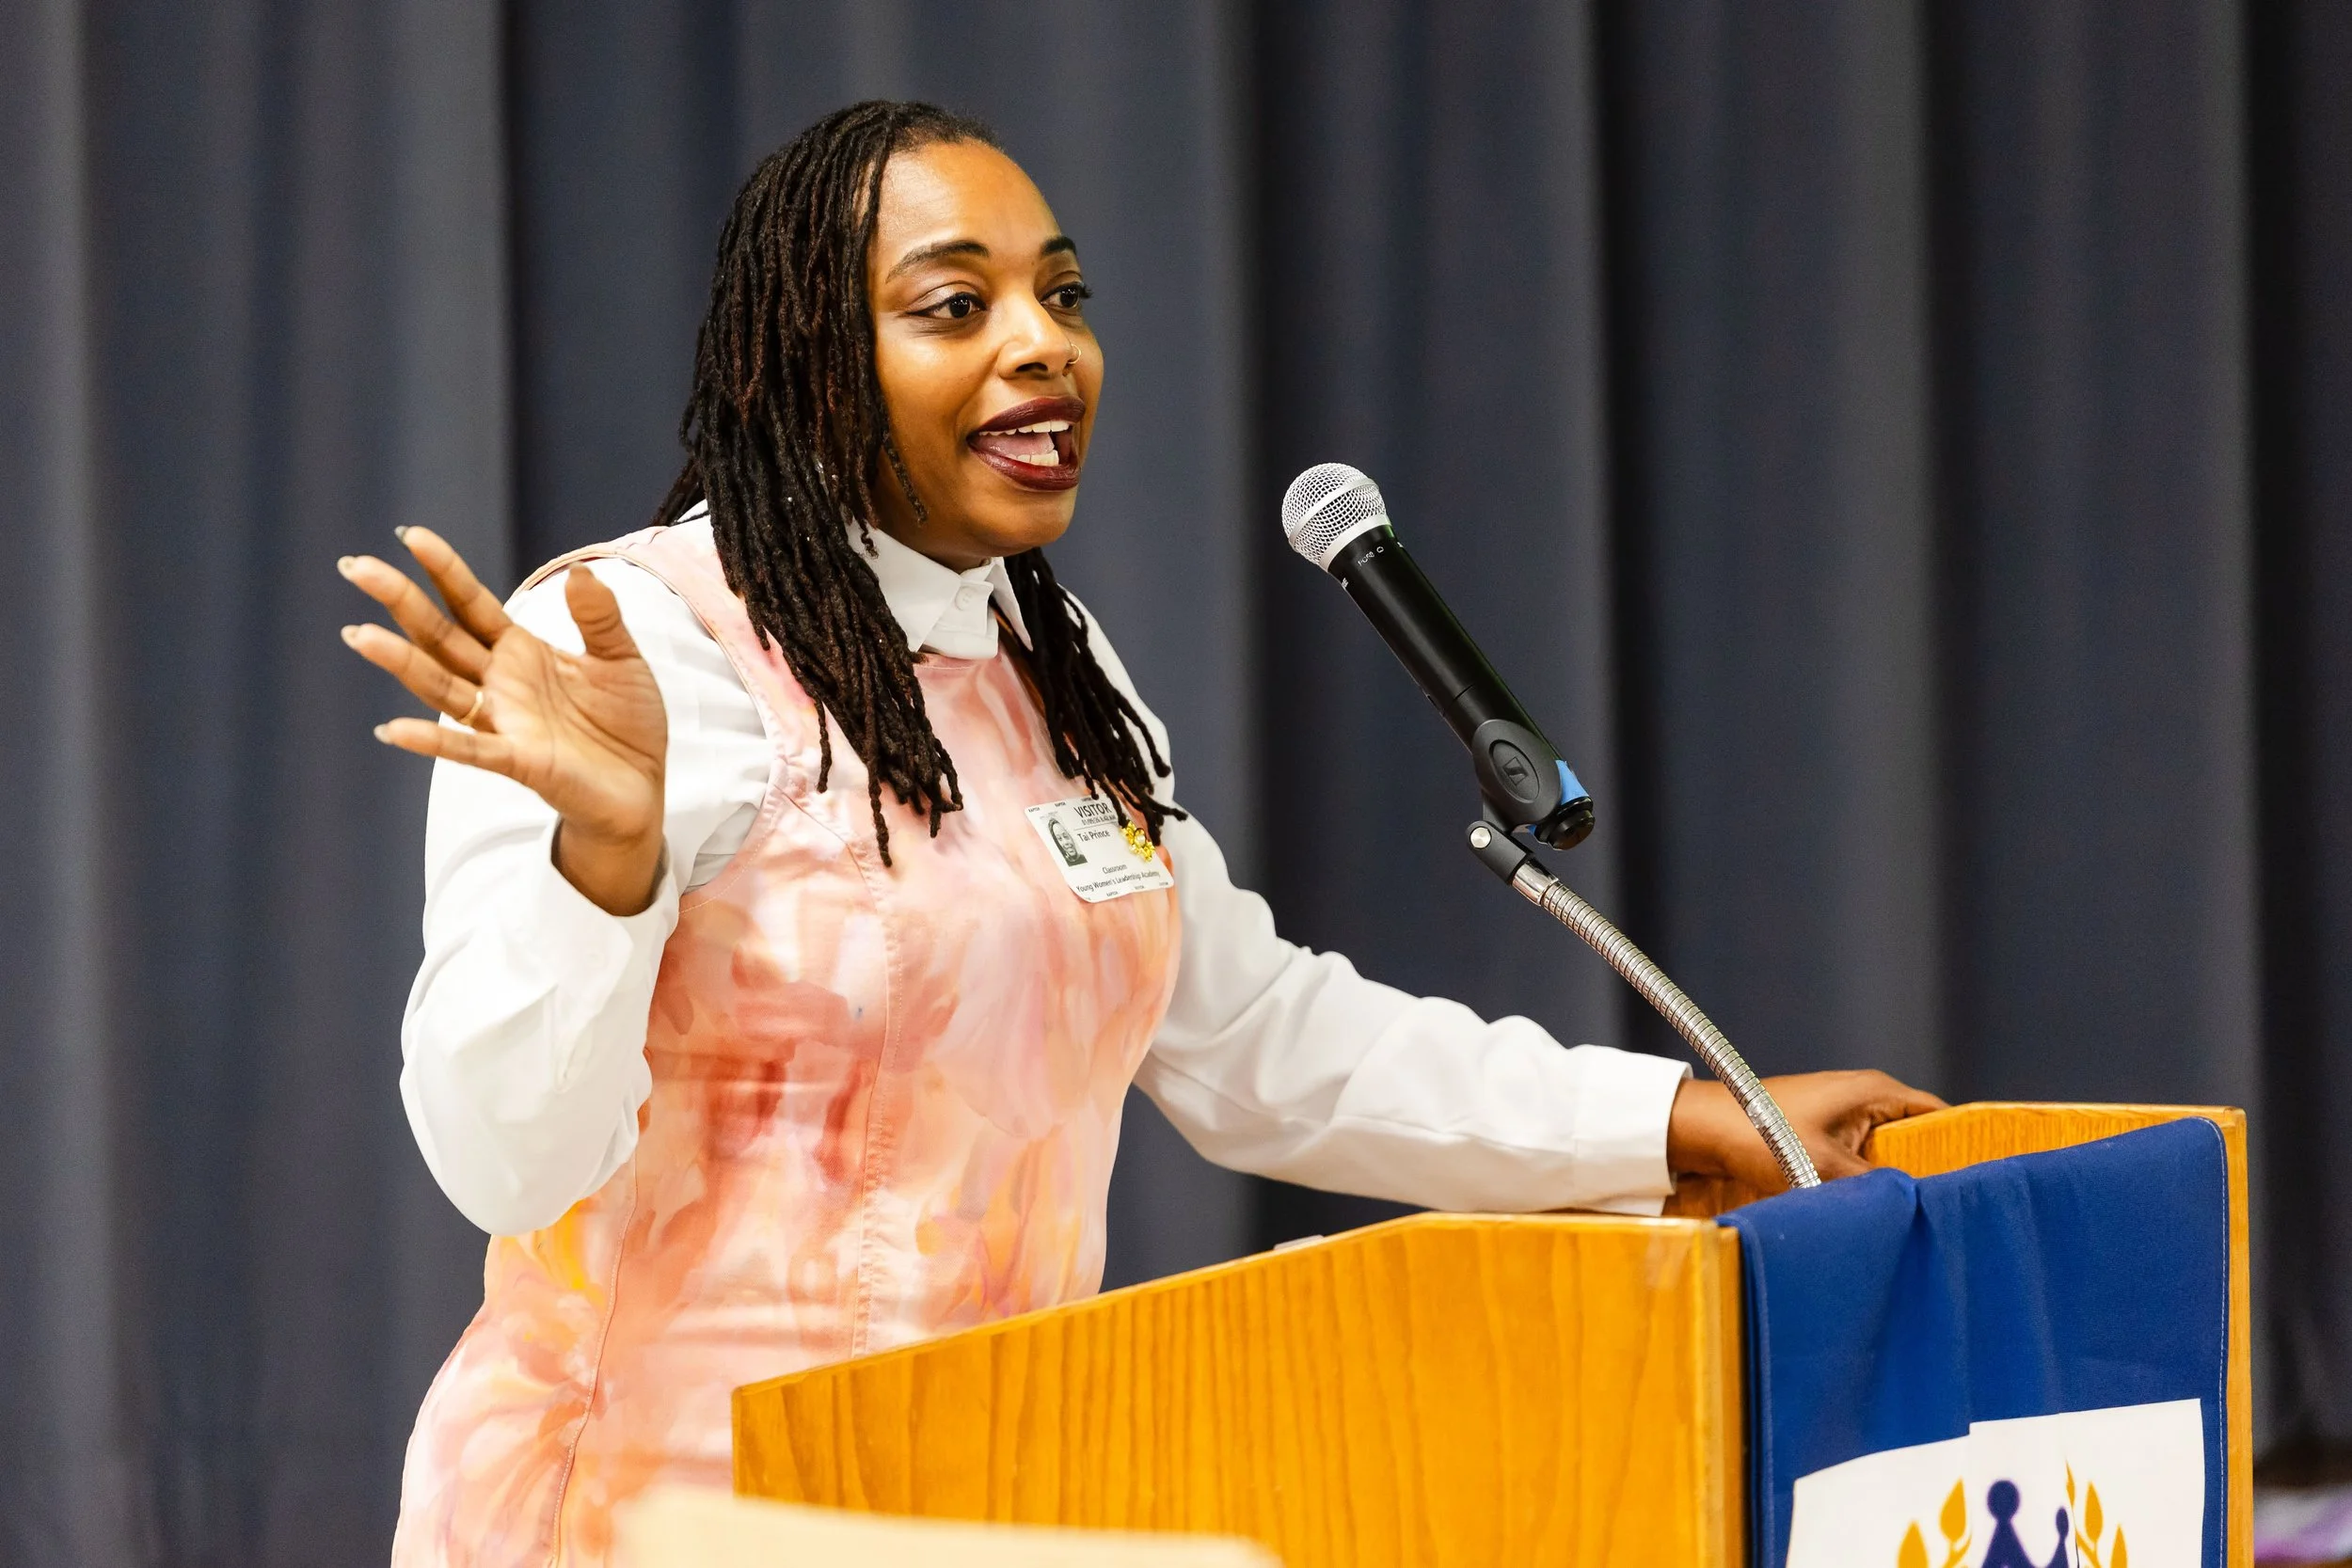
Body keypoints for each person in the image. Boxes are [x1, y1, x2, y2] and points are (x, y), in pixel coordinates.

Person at [339, 101, 1943, 1568]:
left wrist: (1672, 1121)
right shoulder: (629, 642)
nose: (1044, 347)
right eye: (956, 306)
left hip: (993, 1500)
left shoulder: (1056, 666)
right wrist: (598, 867)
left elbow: (1250, 1038)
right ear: (807, 362)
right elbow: (505, 1163)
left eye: (1065, 297)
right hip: (657, 1519)